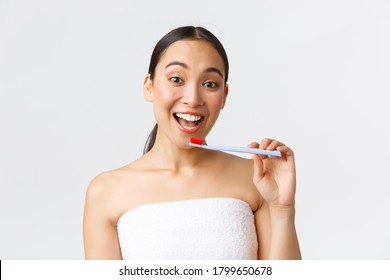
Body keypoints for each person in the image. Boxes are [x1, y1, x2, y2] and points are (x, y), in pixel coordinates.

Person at [83, 26, 301, 260]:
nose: (193, 98)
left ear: (224, 96)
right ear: (149, 86)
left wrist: (282, 209)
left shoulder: (257, 178)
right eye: (176, 79)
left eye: (209, 84)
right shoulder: (106, 192)